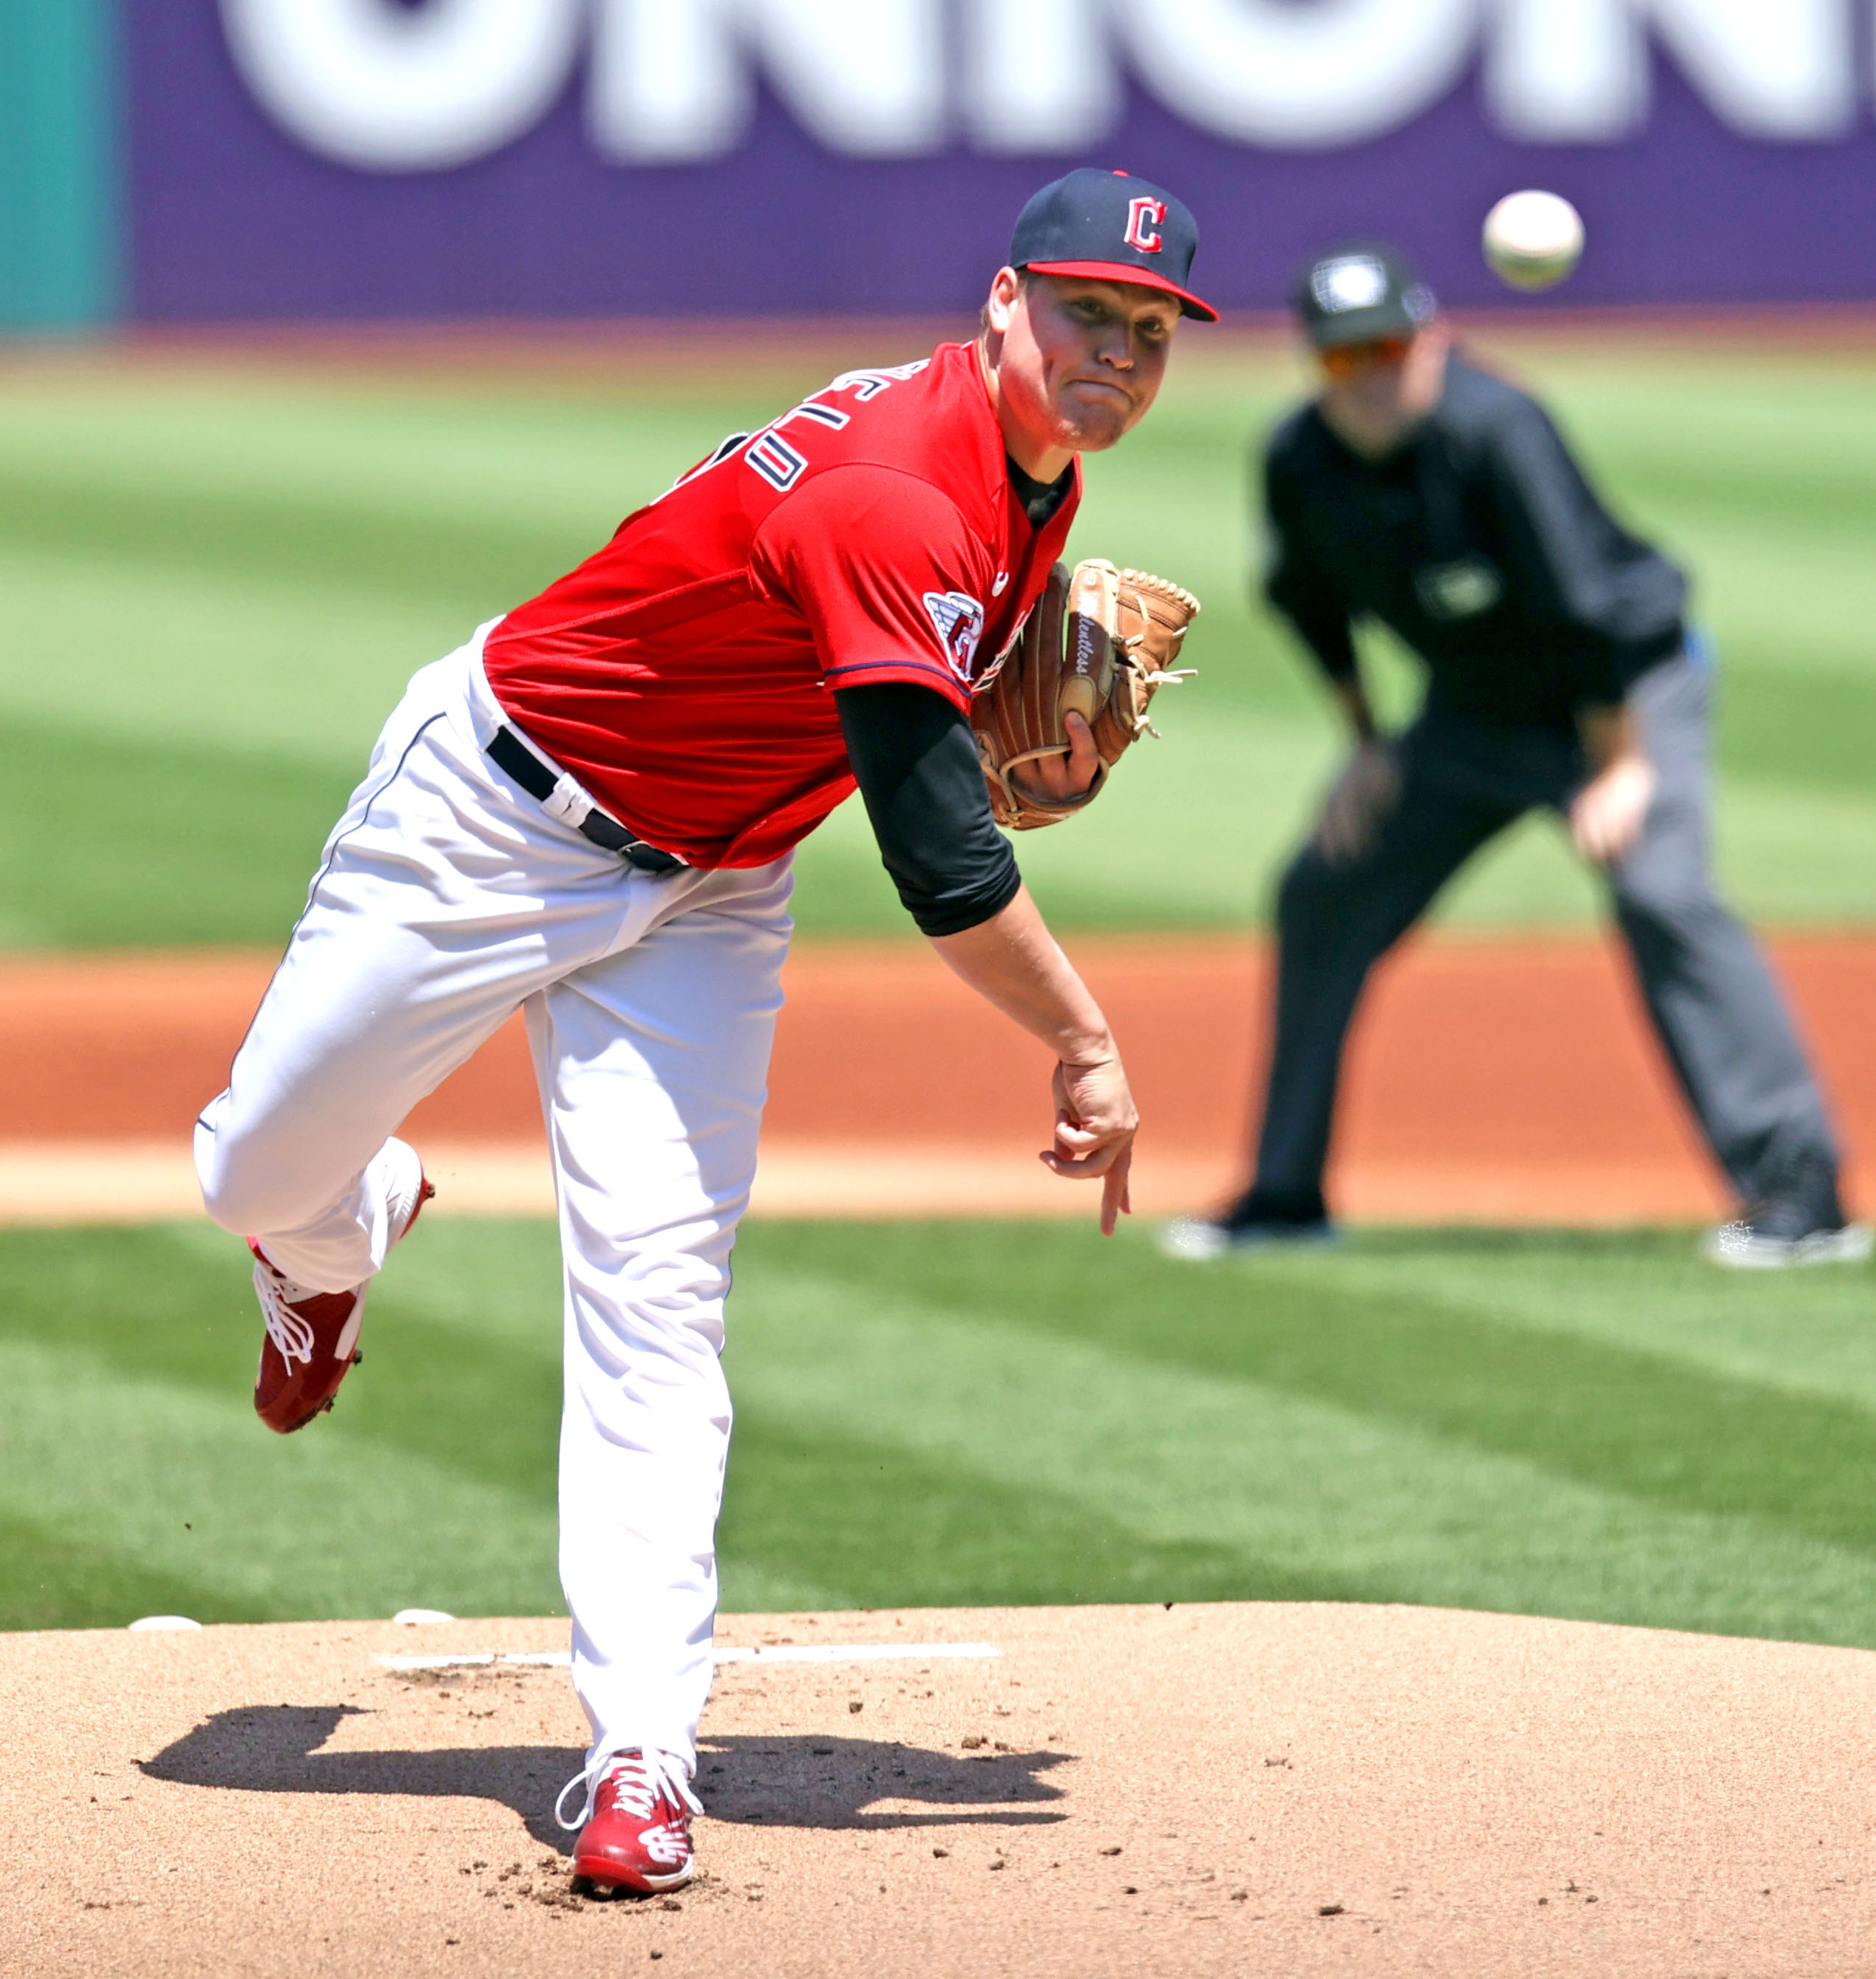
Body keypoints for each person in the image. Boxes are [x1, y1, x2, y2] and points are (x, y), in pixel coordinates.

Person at [194, 169, 1216, 1893]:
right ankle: (335, 1232)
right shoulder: (907, 491)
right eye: (1081, 312)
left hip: (714, 881)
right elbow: (941, 855)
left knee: (656, 1294)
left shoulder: (1030, 466)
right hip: (492, 812)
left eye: (1148, 328)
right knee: (249, 1163)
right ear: (999, 304)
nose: (1113, 350)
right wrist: (1087, 1037)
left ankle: (641, 1757)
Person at [1166, 243, 1866, 1271]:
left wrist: (1622, 765)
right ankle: (1285, 1193)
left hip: (1627, 691)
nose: (1367, 378)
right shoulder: (1298, 462)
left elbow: (1592, 608)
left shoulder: (1496, 431)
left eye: (1387, 348)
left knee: (1662, 891)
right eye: (1339, 361)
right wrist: (1367, 747)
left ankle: (1803, 1194)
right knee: (1324, 891)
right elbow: (1307, 603)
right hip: (1470, 718)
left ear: (1433, 339)